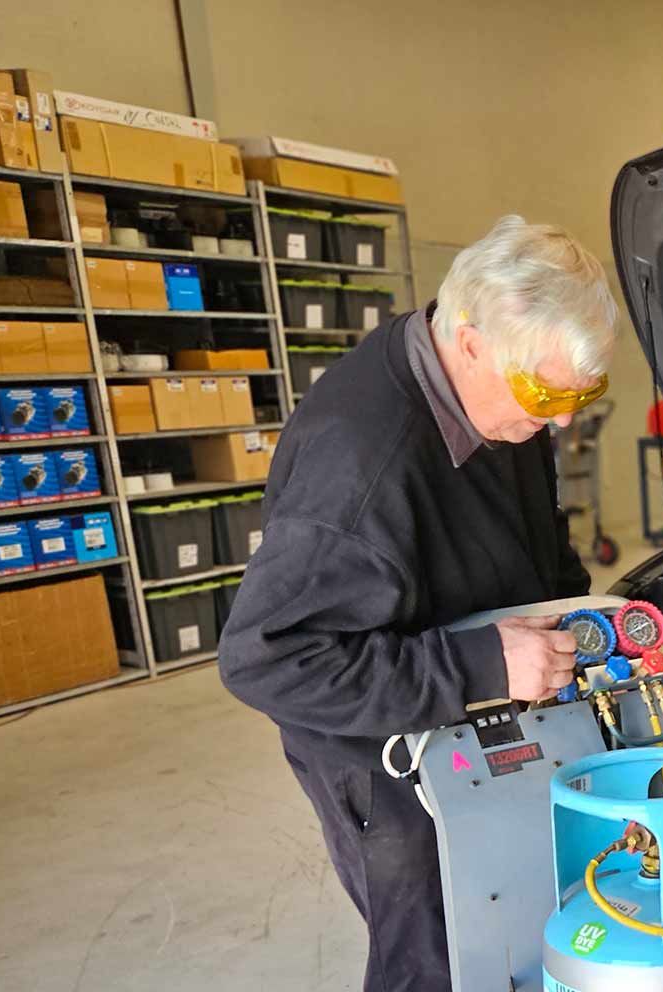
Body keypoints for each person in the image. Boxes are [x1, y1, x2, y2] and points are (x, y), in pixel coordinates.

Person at [218, 215, 619, 991]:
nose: (563, 418)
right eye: (547, 392)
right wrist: (478, 664)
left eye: (583, 393)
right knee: (435, 955)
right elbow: (267, 660)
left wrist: (588, 621)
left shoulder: (502, 396)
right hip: (380, 751)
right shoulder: (362, 468)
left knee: (525, 924)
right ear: (469, 343)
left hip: (485, 709)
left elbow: (537, 543)